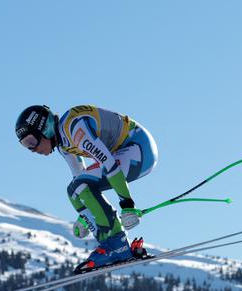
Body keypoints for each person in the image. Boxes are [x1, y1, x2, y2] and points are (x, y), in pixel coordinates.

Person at [15, 105, 158, 272]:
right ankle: (109, 246)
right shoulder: (64, 144)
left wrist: (127, 206)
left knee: (80, 187)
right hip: (124, 153)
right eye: (25, 145)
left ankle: (117, 245)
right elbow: (80, 182)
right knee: (74, 192)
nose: (32, 150)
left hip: (139, 148)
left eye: (31, 142)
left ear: (44, 129)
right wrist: (86, 216)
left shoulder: (74, 129)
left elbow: (109, 165)